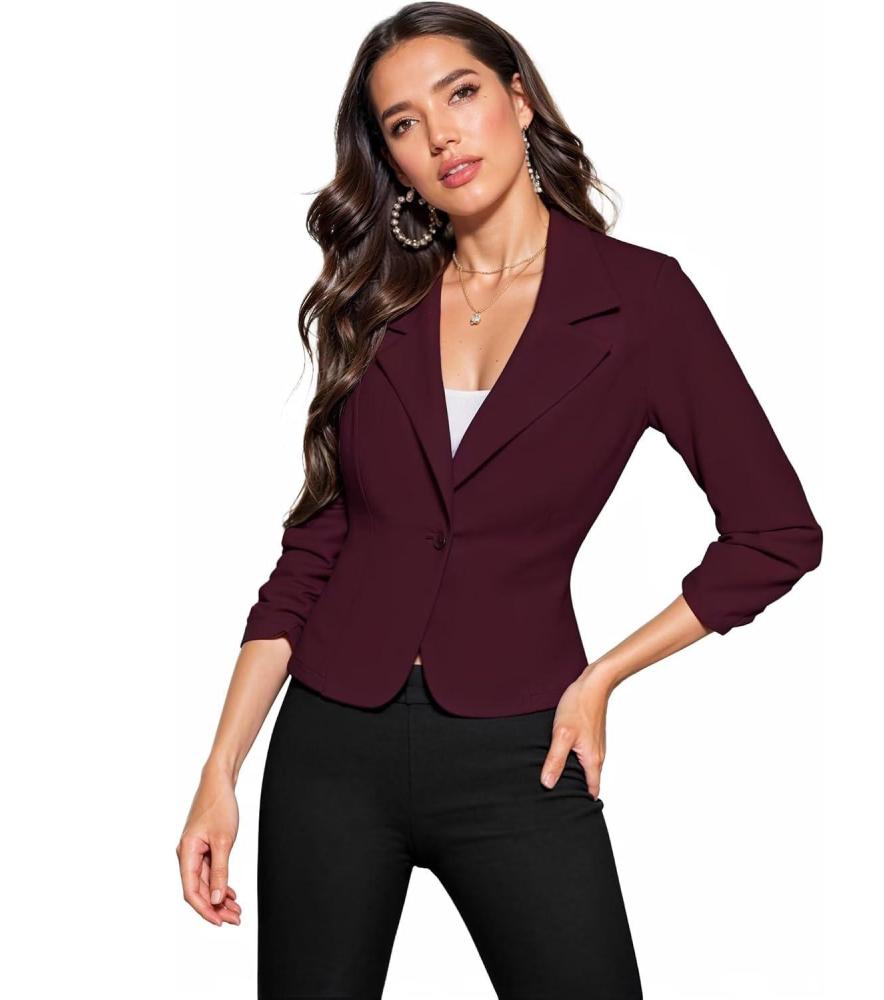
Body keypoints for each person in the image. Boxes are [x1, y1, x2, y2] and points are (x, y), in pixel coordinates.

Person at [177, 4, 823, 998]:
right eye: (403, 123)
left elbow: (775, 533)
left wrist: (603, 676)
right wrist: (221, 769)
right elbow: (315, 551)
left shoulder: (640, 301)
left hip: (522, 743)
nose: (439, 135)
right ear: (392, 160)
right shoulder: (376, 302)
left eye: (461, 94)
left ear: (519, 100)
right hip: (330, 749)